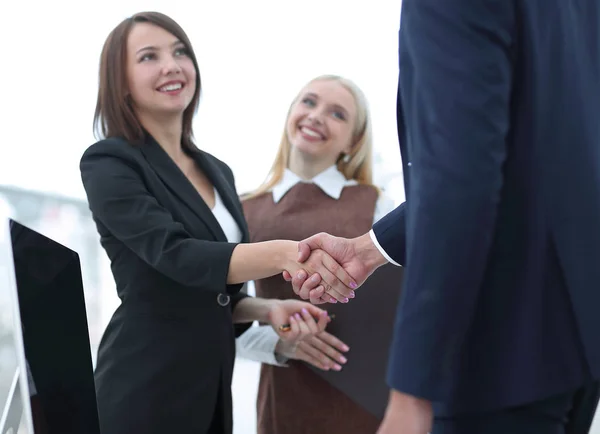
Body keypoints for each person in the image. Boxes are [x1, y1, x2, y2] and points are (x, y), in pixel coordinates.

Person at [290, 0, 600, 433]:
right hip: (575, 336)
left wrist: (413, 391)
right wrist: (367, 249)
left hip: (497, 344)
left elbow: (461, 178)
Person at [80, 11, 357, 434]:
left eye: (180, 52)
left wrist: (267, 308)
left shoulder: (217, 171)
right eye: (149, 56)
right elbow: (176, 256)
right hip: (144, 389)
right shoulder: (110, 161)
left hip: (210, 394)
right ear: (119, 80)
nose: (172, 65)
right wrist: (287, 254)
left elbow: (210, 295)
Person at [236, 75, 403, 433]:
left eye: (337, 114)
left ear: (353, 140)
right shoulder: (243, 209)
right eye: (309, 102)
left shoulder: (380, 207)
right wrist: (282, 345)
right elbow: (222, 316)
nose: (316, 116)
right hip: (285, 399)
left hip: (369, 400)